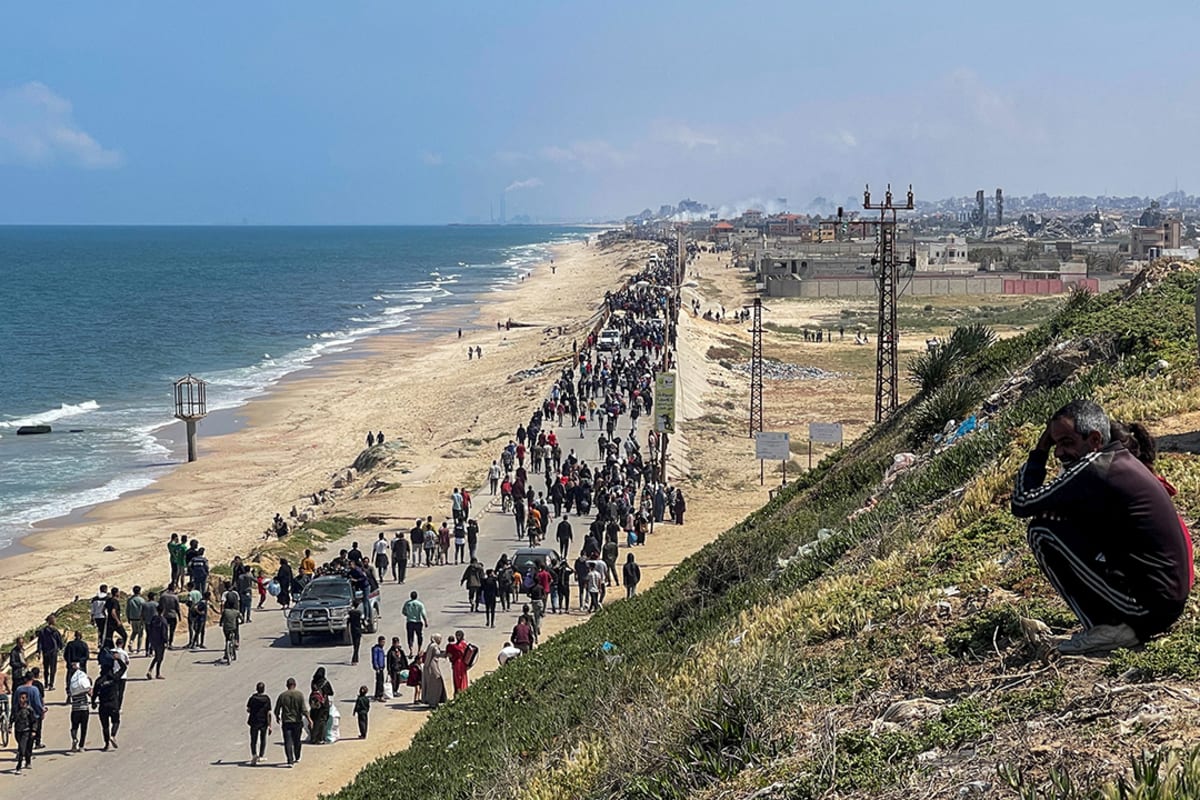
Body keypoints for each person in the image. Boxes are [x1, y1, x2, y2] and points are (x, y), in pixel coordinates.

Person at [1011, 399, 1191, 655]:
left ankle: (1105, 627)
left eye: (1066, 442)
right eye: (1055, 444)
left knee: (1041, 531)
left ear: (1095, 440)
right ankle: (1114, 623)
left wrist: (1040, 450)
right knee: (1057, 522)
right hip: (1165, 602)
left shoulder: (1094, 467)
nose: (1059, 453)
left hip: (1149, 608)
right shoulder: (1118, 461)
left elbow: (1021, 503)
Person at [274, 678, 309, 766]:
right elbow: (304, 709)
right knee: (297, 740)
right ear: (295, 684)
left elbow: (276, 709)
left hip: (286, 722)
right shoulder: (299, 695)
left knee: (288, 742)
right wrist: (310, 719)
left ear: (287, 685)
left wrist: (277, 717)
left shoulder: (282, 696)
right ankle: (297, 756)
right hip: (297, 722)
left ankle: (289, 760)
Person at [91, 667, 121, 750]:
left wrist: (93, 703)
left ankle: (107, 744)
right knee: (116, 721)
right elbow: (123, 668)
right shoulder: (114, 679)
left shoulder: (98, 681)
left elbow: (94, 694)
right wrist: (118, 659)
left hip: (103, 705)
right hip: (113, 704)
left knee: (105, 726)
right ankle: (113, 735)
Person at [246, 681, 272, 765]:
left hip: (254, 721)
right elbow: (268, 712)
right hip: (263, 721)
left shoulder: (252, 698)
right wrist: (270, 725)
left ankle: (254, 755)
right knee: (263, 739)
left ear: (256, 689)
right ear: (264, 689)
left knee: (253, 739)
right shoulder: (267, 699)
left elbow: (248, 709)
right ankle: (261, 755)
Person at [419, 635, 448, 709]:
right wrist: (447, 653)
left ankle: (433, 701)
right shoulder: (434, 646)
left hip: (430, 667)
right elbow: (438, 654)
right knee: (436, 684)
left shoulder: (431, 645)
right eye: (440, 638)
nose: (440, 640)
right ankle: (433, 702)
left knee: (432, 685)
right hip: (432, 667)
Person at [67, 665, 91, 751]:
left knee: (74, 727)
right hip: (84, 709)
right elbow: (90, 693)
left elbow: (70, 695)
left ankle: (74, 739)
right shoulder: (82, 682)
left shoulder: (71, 685)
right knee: (83, 728)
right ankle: (81, 746)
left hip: (75, 709)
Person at [309, 667, 333, 744]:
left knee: (315, 720)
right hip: (323, 704)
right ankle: (320, 739)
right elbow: (331, 692)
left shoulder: (313, 682)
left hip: (314, 704)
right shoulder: (325, 682)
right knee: (322, 721)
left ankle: (313, 738)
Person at [445, 629, 471, 696]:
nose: (457, 637)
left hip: (460, 664)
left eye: (459, 635)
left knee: (460, 678)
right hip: (457, 663)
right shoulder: (458, 644)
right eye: (456, 635)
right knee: (457, 679)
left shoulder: (461, 644)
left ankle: (461, 692)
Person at [402, 591, 428, 656]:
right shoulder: (420, 604)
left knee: (410, 636)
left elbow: (403, 612)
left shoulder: (407, 603)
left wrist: (408, 615)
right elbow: (423, 614)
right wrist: (425, 622)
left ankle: (411, 650)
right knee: (419, 636)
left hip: (410, 622)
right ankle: (419, 650)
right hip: (418, 622)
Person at [146, 606, 167, 679]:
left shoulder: (154, 618)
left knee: (156, 656)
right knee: (160, 658)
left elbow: (150, 628)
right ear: (163, 610)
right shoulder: (163, 620)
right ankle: (157, 673)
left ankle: (150, 670)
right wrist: (165, 641)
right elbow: (164, 632)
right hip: (160, 641)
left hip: (153, 640)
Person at [125, 587, 146, 655]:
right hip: (140, 619)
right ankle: (138, 649)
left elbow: (127, 610)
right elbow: (144, 610)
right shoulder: (141, 600)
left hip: (132, 618)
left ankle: (131, 642)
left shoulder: (130, 600)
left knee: (134, 632)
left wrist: (128, 618)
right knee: (140, 634)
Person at [348, 599, 365, 665]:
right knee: (357, 646)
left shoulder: (350, 612)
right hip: (358, 631)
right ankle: (354, 659)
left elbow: (348, 621)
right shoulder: (359, 613)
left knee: (355, 645)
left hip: (352, 630)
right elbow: (362, 621)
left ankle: (356, 659)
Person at [371, 636, 387, 701]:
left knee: (381, 681)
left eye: (384, 642)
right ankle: (379, 695)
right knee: (379, 682)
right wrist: (376, 667)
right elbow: (375, 659)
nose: (383, 643)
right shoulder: (376, 649)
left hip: (381, 668)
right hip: (378, 668)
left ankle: (378, 695)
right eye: (382, 642)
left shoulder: (381, 649)